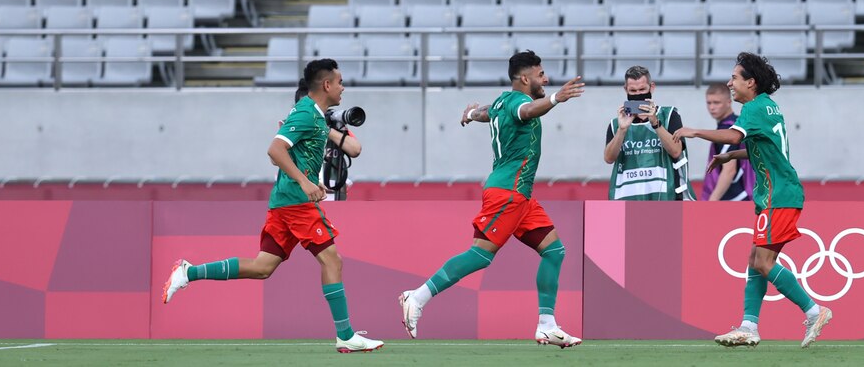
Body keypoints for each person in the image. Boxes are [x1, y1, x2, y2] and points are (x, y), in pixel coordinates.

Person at [162, 59, 384, 353]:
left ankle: (188, 272)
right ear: (326, 85)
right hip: (296, 203)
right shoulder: (306, 113)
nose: (343, 88)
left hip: (285, 201)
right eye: (340, 82)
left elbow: (315, 152)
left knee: (262, 267)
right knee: (333, 261)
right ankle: (345, 335)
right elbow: (274, 150)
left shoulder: (316, 117)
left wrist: (309, 180)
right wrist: (305, 184)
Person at [398, 51, 586, 348]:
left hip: (520, 196)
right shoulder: (522, 104)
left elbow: (488, 112)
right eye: (540, 74)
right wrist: (555, 100)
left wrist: (471, 115)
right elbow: (529, 112)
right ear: (525, 79)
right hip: (507, 193)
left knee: (554, 251)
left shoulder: (502, 101)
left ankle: (547, 325)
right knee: (481, 255)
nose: (546, 79)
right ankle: (417, 296)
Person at [673, 52, 833, 349]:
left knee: (763, 261)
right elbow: (766, 147)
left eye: (734, 78)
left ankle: (814, 311)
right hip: (778, 193)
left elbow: (735, 137)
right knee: (754, 261)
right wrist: (732, 156)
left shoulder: (752, 109)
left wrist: (694, 131)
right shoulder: (769, 107)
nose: (729, 83)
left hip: (778, 195)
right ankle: (749, 325)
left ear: (751, 82)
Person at [603, 65, 693, 200]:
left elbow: (676, 151)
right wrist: (622, 130)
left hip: (664, 197)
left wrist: (655, 123)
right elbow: (609, 158)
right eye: (633, 91)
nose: (638, 94)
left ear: (652, 87)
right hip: (626, 200)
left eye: (642, 89)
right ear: (625, 89)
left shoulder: (669, 115)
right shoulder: (616, 124)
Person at [293, 79, 361, 199]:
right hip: (302, 194)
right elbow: (276, 157)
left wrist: (326, 129)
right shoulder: (292, 126)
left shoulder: (333, 124)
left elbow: (355, 149)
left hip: (332, 192)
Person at [701, 82, 751, 202]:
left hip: (736, 198)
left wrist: (712, 201)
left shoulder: (728, 128)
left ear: (729, 102)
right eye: (709, 103)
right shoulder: (738, 123)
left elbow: (729, 170)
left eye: (716, 102)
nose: (712, 107)